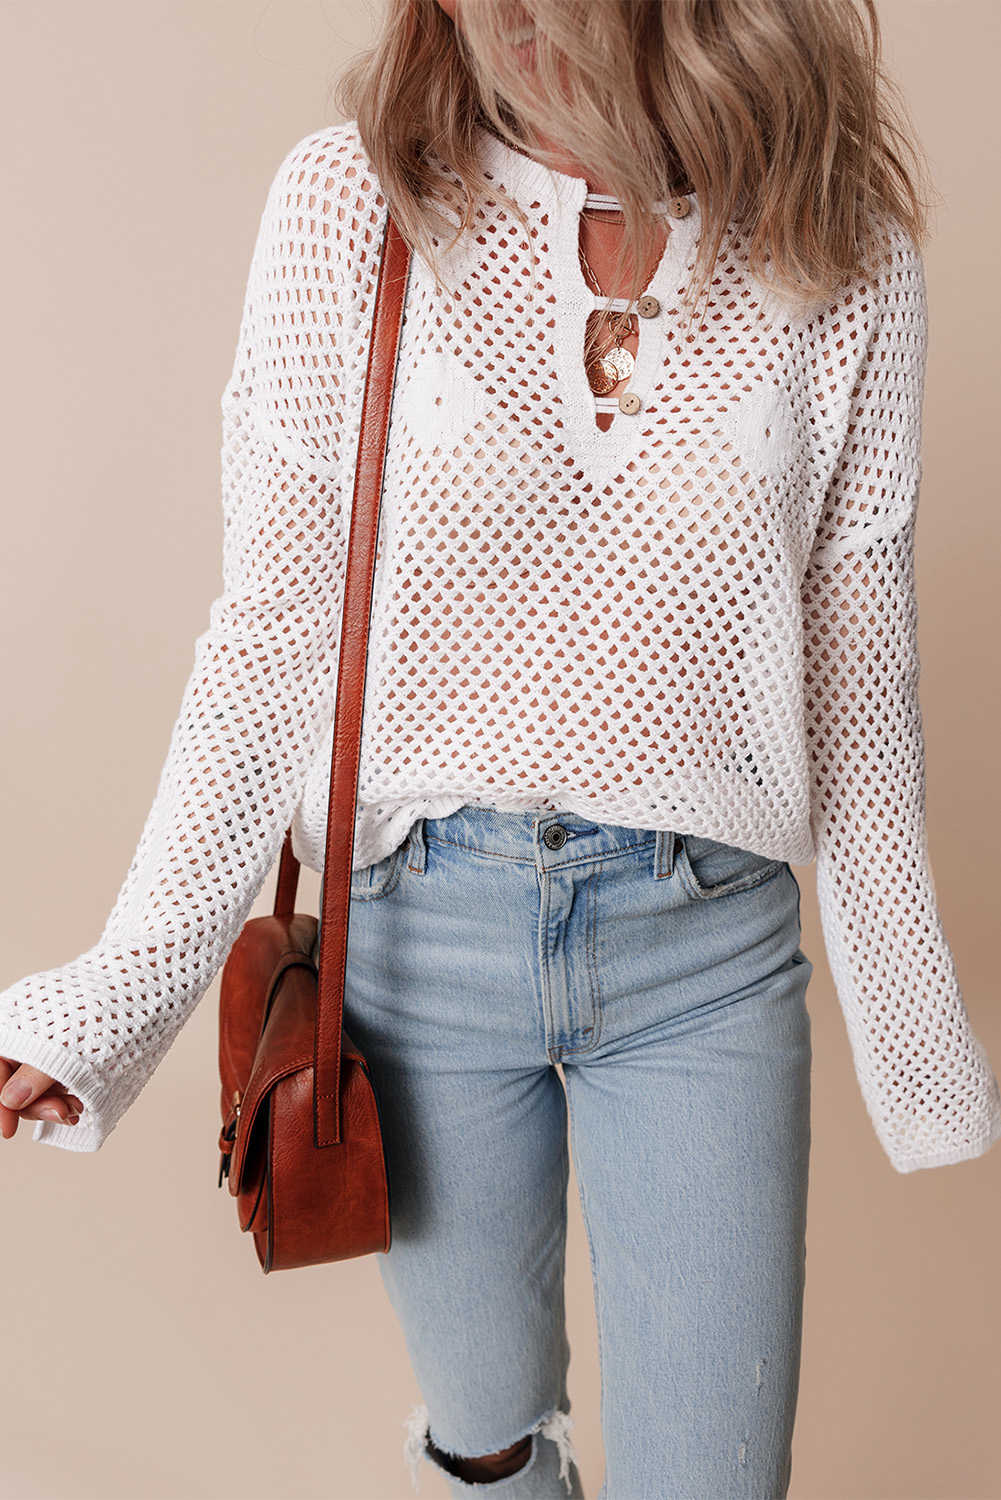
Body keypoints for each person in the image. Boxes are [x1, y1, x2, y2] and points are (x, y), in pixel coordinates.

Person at [2, 1, 999, 1495]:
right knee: (489, 1448)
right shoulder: (350, 202)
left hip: (705, 955)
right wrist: (111, 1002)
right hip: (419, 949)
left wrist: (921, 1058)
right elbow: (269, 644)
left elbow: (858, 699)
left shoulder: (836, 248)